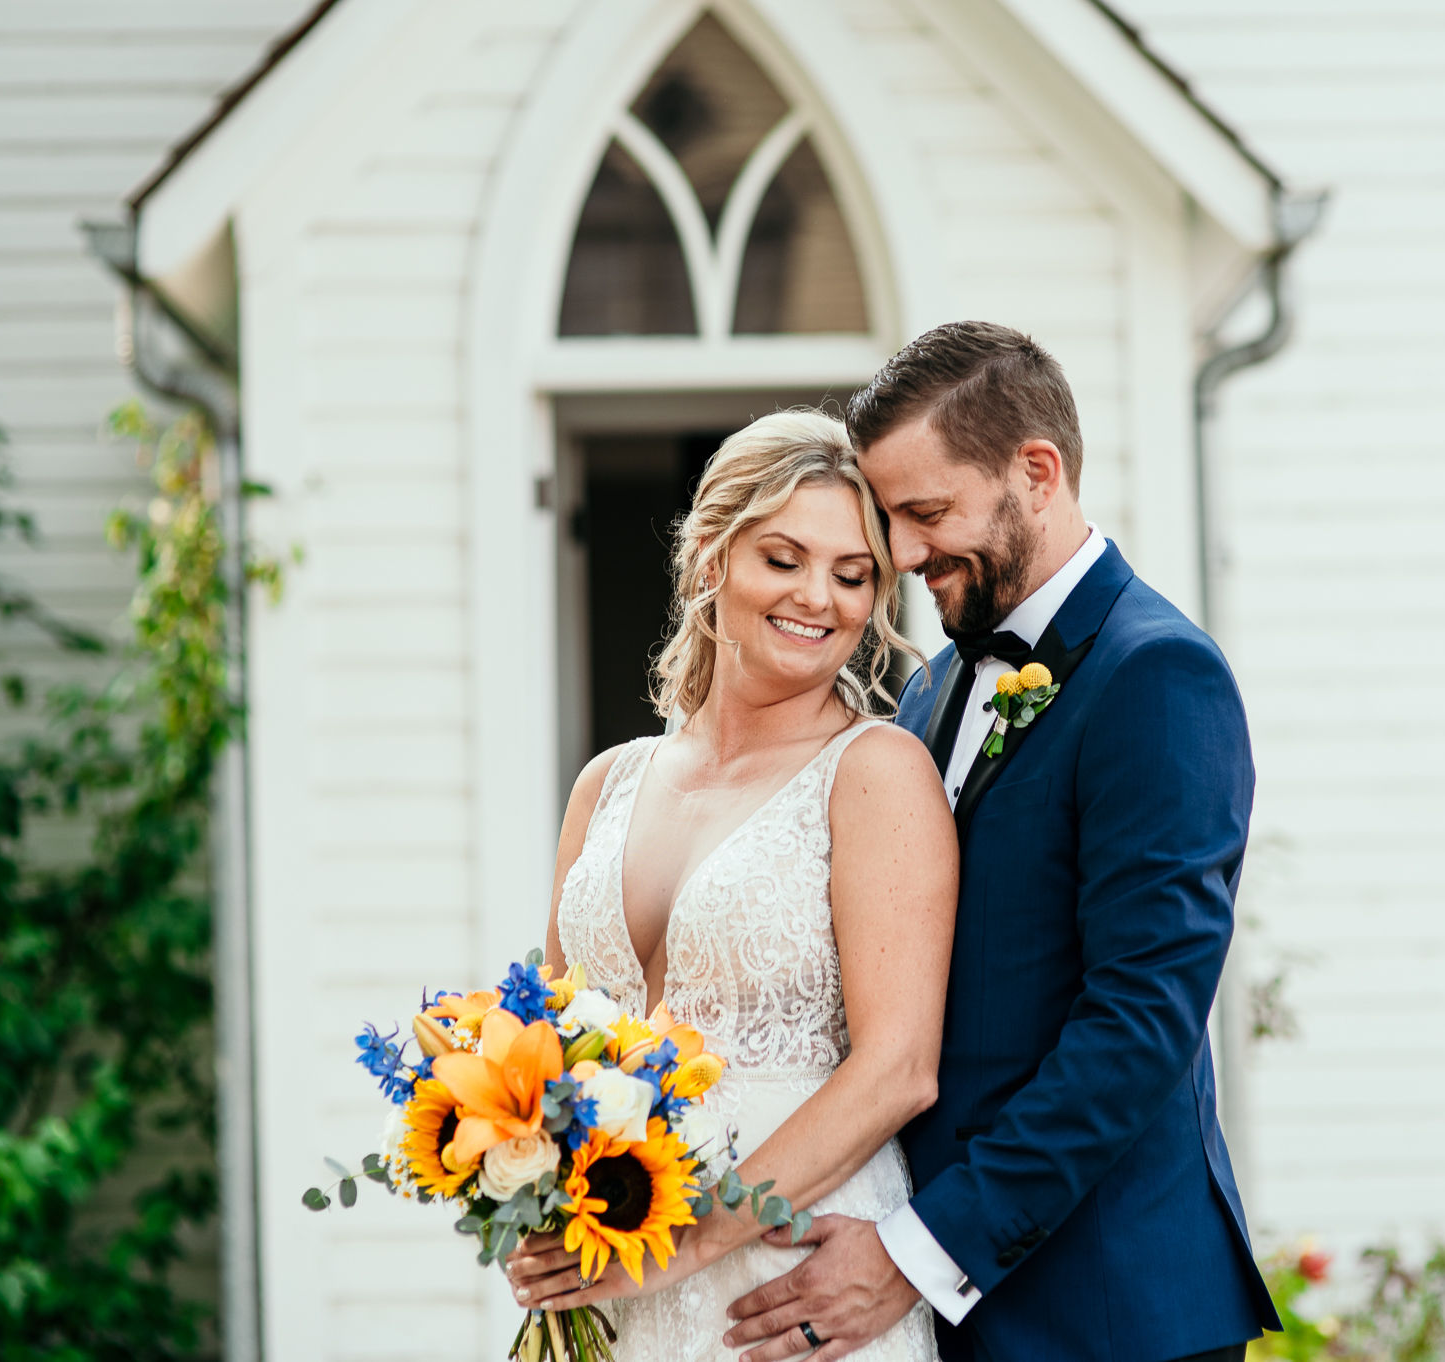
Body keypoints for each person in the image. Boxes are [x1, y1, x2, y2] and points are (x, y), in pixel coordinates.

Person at [721, 322, 1280, 1362]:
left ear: (1037, 471)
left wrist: (916, 1250)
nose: (904, 554)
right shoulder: (932, 685)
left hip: (1105, 1313)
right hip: (952, 1310)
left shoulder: (1157, 677)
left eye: (926, 513)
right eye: (892, 519)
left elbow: (1139, 1023)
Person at [502, 410, 952, 1361]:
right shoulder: (608, 782)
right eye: (783, 558)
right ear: (711, 559)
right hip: (610, 1282)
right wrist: (519, 1195)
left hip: (789, 1284)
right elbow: (546, 1052)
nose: (818, 597)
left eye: (851, 573)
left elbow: (898, 1070)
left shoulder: (874, 771)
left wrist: (681, 1248)